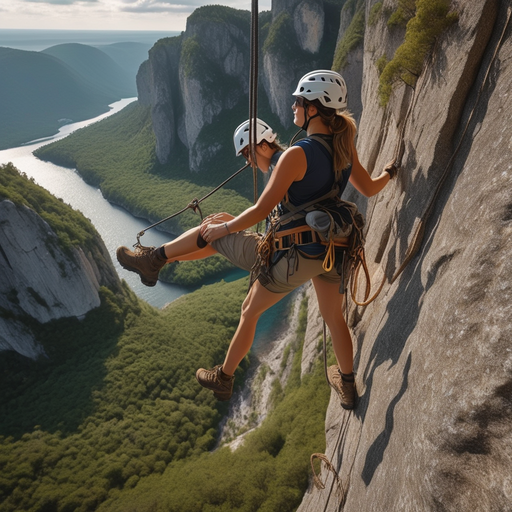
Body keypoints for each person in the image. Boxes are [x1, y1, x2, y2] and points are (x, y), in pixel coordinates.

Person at [118, 70, 396, 410]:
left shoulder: (297, 154)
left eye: (299, 100)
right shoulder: (343, 146)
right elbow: (369, 188)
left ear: (313, 107)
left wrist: (225, 228)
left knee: (224, 256)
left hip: (296, 253)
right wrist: (390, 173)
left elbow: (262, 207)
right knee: (334, 318)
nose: (293, 105)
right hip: (333, 249)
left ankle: (157, 262)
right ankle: (348, 386)